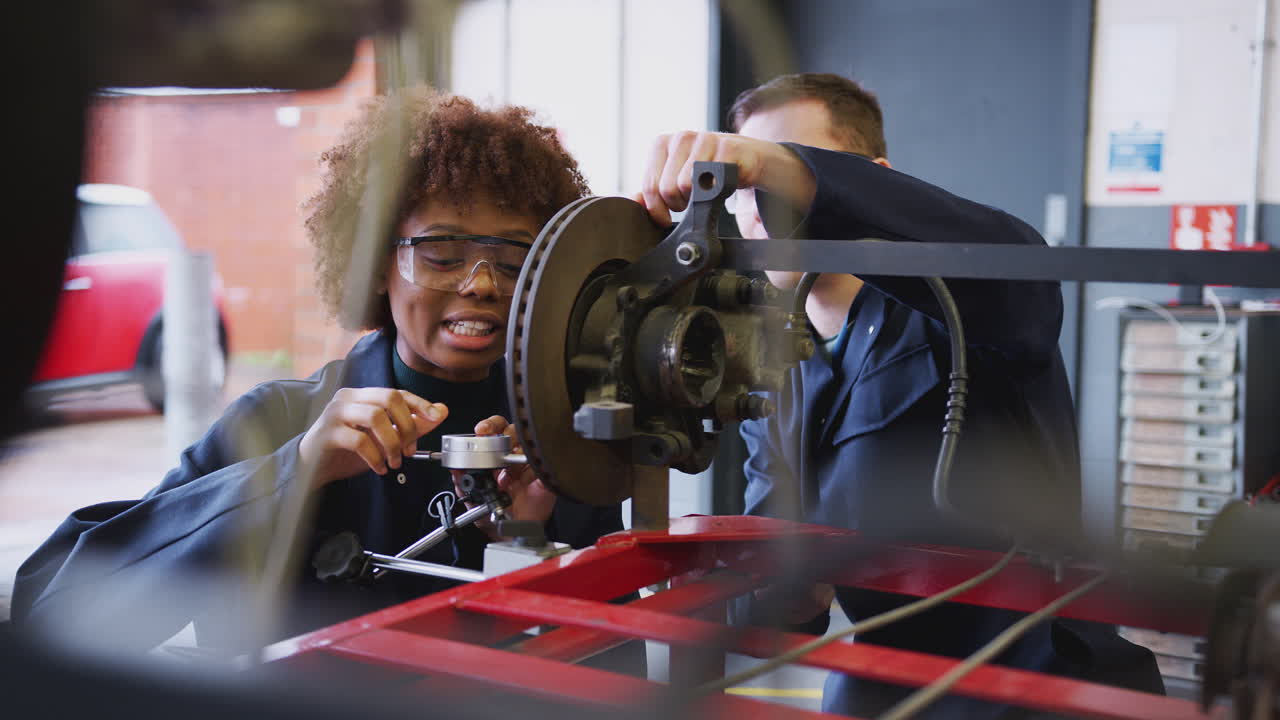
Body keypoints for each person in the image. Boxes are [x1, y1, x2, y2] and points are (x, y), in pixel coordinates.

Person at [12, 86, 622, 653]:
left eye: (515, 261)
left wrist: (527, 543)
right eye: (442, 254)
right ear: (376, 262)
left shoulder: (558, 445)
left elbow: (617, 656)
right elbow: (54, 608)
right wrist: (292, 474)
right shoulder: (279, 421)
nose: (483, 284)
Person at [637, 73, 1162, 718]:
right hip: (886, 684)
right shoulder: (774, 370)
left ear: (874, 182)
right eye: (749, 187)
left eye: (786, 172)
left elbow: (1018, 262)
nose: (760, 205)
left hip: (1039, 686)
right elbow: (780, 599)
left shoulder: (966, 313)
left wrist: (787, 169)